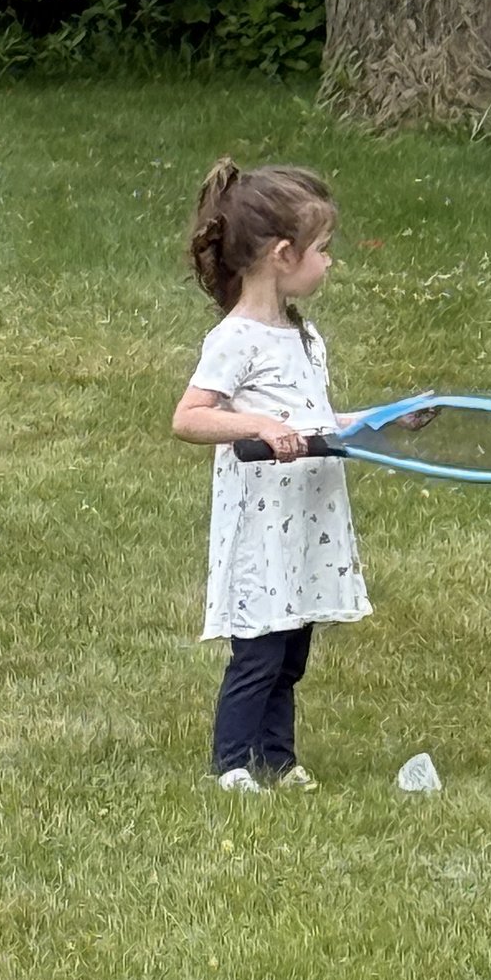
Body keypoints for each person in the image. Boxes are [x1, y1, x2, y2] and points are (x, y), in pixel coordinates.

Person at [171, 157, 370, 790]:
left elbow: (314, 420)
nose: (329, 261)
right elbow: (190, 419)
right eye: (323, 249)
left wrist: (380, 420)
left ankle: (278, 761)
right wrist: (258, 427)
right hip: (262, 529)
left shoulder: (302, 336)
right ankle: (232, 764)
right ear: (283, 254)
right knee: (257, 653)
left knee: (290, 655)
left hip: (305, 524)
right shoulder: (236, 339)